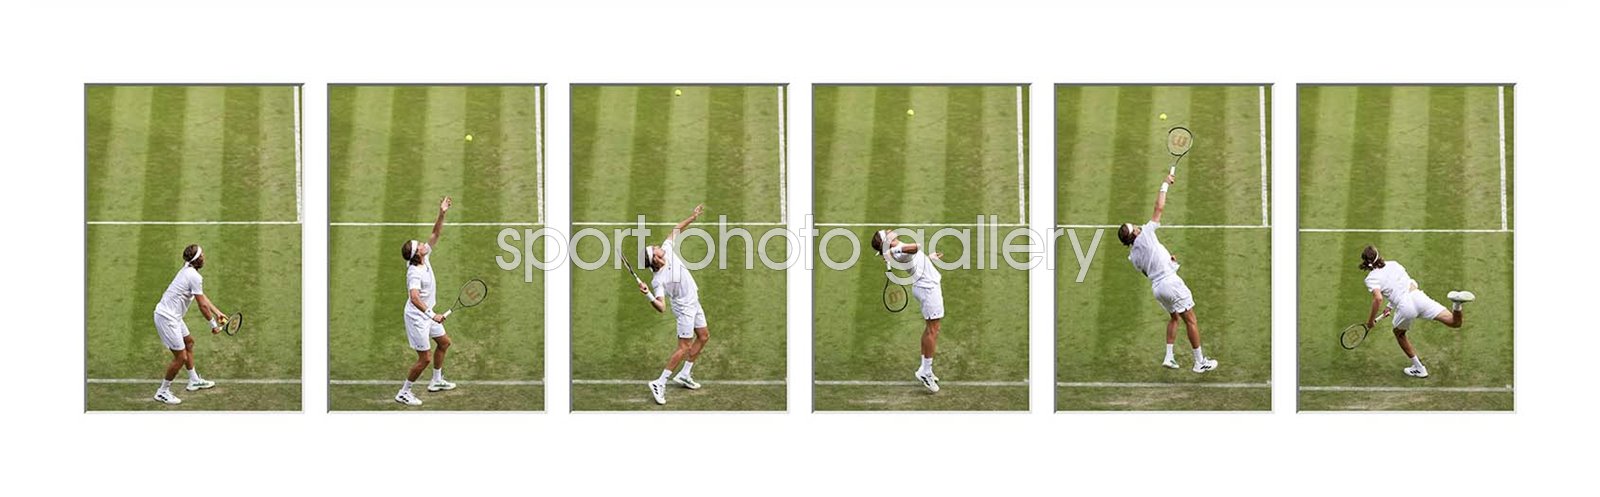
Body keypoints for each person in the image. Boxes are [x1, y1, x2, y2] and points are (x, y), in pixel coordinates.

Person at [1116, 173, 1218, 373]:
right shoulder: (1146, 233)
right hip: (1170, 284)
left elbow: (1149, 271)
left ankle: (1169, 357)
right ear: (1134, 233)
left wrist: (1167, 261)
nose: (1137, 226)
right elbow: (1159, 208)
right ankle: (1199, 362)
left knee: (1175, 318)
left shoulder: (1133, 257)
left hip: (1158, 288)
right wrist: (1165, 184)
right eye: (1134, 227)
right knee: (1191, 320)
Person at [1357, 245, 1475, 378]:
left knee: (1399, 334)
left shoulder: (1371, 279)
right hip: (1418, 297)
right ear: (1379, 256)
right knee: (1454, 322)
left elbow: (1378, 298)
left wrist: (1370, 321)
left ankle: (1419, 368)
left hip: (1406, 307)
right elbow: (1406, 285)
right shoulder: (1394, 264)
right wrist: (1390, 306)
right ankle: (1457, 304)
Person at [638, 204, 710, 405]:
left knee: (703, 336)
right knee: (684, 347)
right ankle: (659, 382)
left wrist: (692, 217)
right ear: (655, 259)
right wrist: (648, 294)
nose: (658, 246)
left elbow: (676, 230)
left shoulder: (667, 250)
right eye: (655, 249)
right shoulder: (658, 281)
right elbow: (661, 307)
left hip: (693, 300)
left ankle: (684, 374)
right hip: (684, 308)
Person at [394, 196, 456, 406]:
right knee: (425, 359)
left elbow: (435, 233)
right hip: (417, 318)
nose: (423, 244)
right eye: (419, 245)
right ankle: (404, 392)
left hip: (426, 315)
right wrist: (432, 315)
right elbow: (414, 297)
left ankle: (436, 381)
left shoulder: (424, 257)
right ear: (416, 254)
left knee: (444, 343)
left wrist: (442, 212)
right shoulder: (414, 273)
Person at [871, 229, 944, 393]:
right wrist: (891, 251)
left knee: (930, 329)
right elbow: (916, 247)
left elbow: (915, 257)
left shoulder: (898, 250)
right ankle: (926, 372)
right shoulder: (899, 252)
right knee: (933, 330)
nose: (890, 230)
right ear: (887, 242)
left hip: (926, 286)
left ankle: (925, 368)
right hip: (928, 289)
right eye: (886, 232)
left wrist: (928, 259)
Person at [151, 244, 222, 405]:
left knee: (189, 342)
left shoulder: (188, 270)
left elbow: (201, 296)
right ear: (197, 260)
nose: (204, 257)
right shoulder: (194, 276)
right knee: (181, 357)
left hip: (173, 317)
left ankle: (194, 380)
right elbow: (202, 305)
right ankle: (162, 392)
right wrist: (213, 324)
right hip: (166, 318)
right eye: (202, 255)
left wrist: (217, 313)